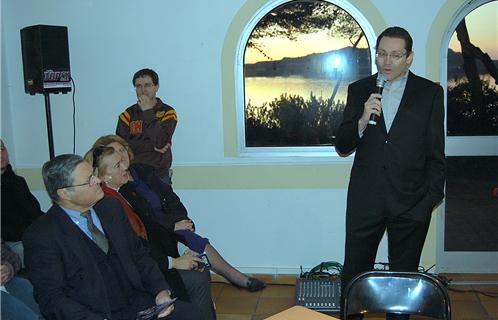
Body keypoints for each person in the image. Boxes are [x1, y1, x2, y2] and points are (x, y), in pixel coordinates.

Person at [335, 27, 445, 319]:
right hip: (365, 201)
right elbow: (343, 146)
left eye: (395, 55)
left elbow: (436, 153)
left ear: (409, 57)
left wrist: (428, 201)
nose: (386, 61)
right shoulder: (359, 90)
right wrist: (361, 119)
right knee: (354, 274)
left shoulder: (430, 93)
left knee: (402, 282)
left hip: (411, 204)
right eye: (381, 53)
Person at [22, 154, 201, 320]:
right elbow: (52, 299)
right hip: (94, 313)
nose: (98, 180)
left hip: (138, 303)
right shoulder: (42, 235)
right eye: (89, 181)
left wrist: (160, 291)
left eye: (94, 174)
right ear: (65, 193)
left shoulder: (110, 208)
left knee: (193, 315)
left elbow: (139, 255)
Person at [87, 135, 266, 293]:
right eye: (116, 153)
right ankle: (237, 278)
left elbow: (170, 197)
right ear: (105, 171)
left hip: (168, 224)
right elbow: (146, 221)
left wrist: (180, 218)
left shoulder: (142, 170)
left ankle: (237, 278)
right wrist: (172, 225)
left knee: (192, 239)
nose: (122, 154)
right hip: (161, 231)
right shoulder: (121, 189)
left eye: (123, 149)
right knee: (192, 248)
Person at [83, 146, 216, 320]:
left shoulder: (124, 194)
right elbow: (132, 252)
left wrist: (177, 251)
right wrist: (173, 262)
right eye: (118, 165)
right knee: (197, 279)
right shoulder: (107, 205)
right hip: (138, 278)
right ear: (104, 177)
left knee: (198, 268)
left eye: (123, 161)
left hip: (151, 262)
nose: (125, 167)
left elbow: (153, 232)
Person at [116, 68, 177, 185]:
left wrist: (147, 111)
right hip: (133, 173)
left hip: (159, 174)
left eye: (147, 85)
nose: (143, 90)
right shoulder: (127, 114)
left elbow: (161, 143)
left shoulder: (168, 112)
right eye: (138, 86)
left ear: (156, 87)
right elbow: (122, 147)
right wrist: (151, 145)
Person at [1, 139, 44, 266]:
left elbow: (34, 213)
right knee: (44, 251)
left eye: (2, 149)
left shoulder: (17, 182)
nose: (0, 154)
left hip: (30, 235)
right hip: (9, 244)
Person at [1, 240, 43, 320]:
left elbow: (10, 256)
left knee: (40, 301)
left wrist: (8, 268)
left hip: (6, 281)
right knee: (20, 313)